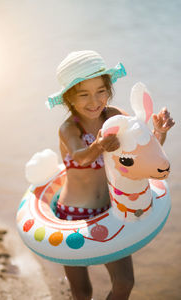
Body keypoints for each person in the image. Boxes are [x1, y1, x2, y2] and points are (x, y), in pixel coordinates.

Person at [46, 50, 175, 300]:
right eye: (83, 94)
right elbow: (80, 156)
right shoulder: (69, 128)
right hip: (74, 213)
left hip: (111, 209)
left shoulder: (114, 116)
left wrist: (159, 131)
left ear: (109, 89)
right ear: (69, 99)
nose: (94, 101)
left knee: (125, 282)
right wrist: (99, 145)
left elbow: (144, 148)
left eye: (101, 91)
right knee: (82, 292)